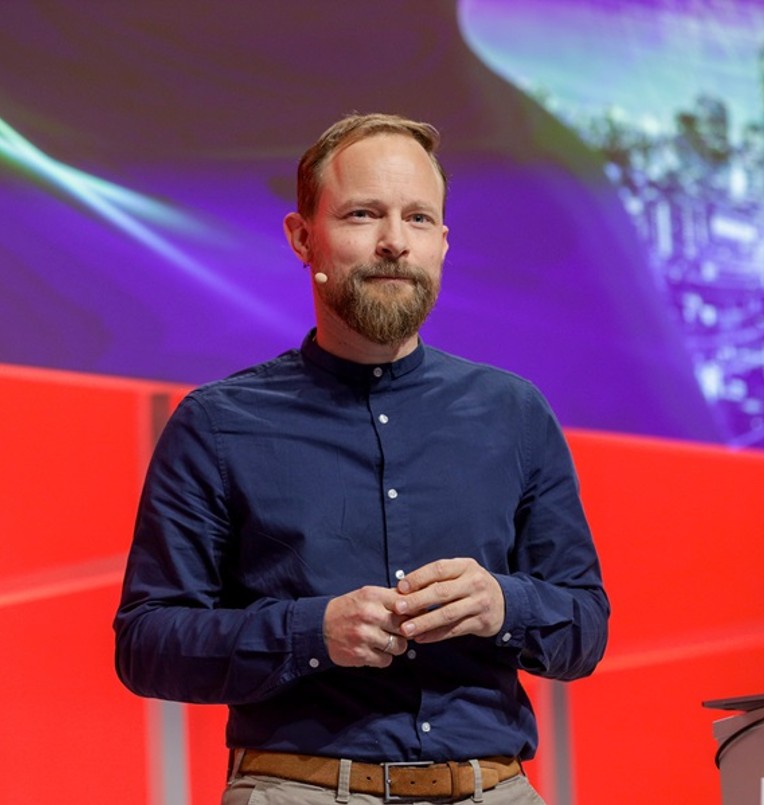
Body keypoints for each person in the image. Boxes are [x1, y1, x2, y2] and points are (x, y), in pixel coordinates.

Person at [114, 112, 609, 804]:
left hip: (493, 786)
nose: (393, 243)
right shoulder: (217, 423)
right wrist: (311, 631)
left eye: (418, 218)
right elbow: (147, 644)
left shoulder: (514, 413)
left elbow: (585, 626)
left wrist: (505, 602)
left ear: (441, 242)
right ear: (301, 236)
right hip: (299, 787)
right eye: (362, 214)